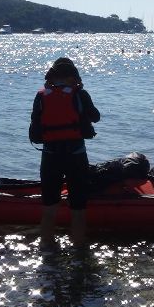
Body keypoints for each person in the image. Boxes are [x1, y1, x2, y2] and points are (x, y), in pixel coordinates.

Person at [29, 57, 101, 246]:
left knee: (49, 208)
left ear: (52, 77)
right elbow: (96, 117)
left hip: (50, 156)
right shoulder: (80, 94)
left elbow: (35, 132)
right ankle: (78, 251)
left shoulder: (42, 96)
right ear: (73, 77)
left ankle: (47, 251)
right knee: (78, 209)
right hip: (76, 156)